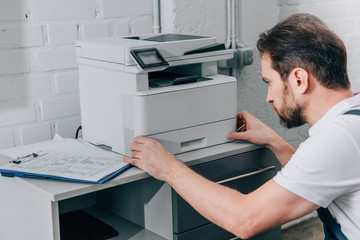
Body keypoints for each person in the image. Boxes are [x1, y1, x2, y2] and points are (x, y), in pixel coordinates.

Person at [123, 13, 360, 239]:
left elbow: (245, 219)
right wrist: (273, 140)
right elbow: (321, 175)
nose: (268, 97)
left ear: (299, 79)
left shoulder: (337, 140)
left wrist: (167, 168)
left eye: (269, 82)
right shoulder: (352, 117)